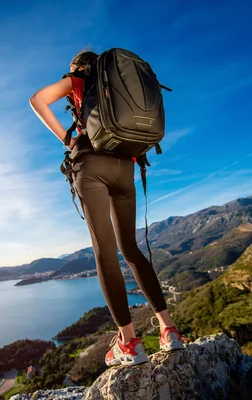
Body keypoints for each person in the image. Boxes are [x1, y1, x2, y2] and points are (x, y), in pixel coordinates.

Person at [29, 50, 184, 367]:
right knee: (131, 248)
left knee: (105, 251)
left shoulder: (79, 80)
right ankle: (169, 330)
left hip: (92, 164)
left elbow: (37, 100)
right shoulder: (115, 84)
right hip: (125, 168)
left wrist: (68, 140)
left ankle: (128, 342)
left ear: (78, 67)